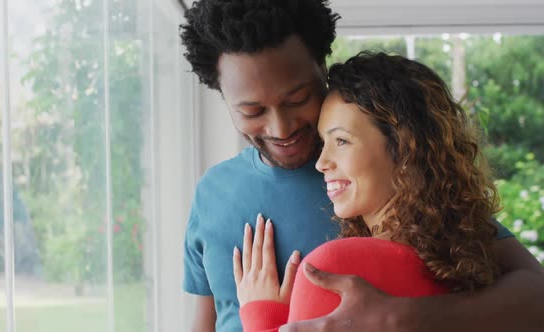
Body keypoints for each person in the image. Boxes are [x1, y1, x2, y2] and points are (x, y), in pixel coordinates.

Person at [179, 0, 544, 331]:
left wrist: (399, 318)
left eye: (298, 98)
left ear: (322, 68)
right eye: (252, 111)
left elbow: (534, 292)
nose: (282, 128)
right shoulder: (211, 193)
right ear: (222, 96)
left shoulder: (380, 177)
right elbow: (205, 322)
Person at [233, 51, 500, 331]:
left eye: (342, 141)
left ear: (404, 149)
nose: (322, 163)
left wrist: (261, 317)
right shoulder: (470, 264)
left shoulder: (335, 269)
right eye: (324, 143)